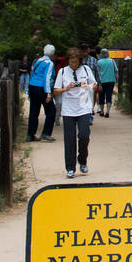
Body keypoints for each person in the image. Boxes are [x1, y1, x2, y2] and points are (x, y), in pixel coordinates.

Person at [53, 47, 96, 177]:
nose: (74, 65)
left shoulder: (86, 70)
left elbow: (94, 85)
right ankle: (70, 168)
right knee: (69, 139)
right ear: (68, 61)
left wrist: (86, 86)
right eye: (71, 62)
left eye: (76, 62)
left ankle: (82, 160)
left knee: (84, 135)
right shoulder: (62, 72)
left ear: (80, 61)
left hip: (84, 106)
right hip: (68, 109)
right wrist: (66, 88)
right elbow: (55, 90)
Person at [27, 43, 56, 141]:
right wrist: (48, 93)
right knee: (51, 110)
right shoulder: (49, 63)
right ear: (52, 53)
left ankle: (30, 134)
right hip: (41, 88)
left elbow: (32, 73)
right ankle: (46, 133)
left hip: (32, 86)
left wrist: (28, 90)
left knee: (34, 111)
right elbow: (47, 77)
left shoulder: (38, 61)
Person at [96, 47, 118, 117]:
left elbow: (98, 73)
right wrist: (116, 81)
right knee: (109, 96)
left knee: (101, 97)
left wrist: (98, 83)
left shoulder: (98, 62)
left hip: (102, 82)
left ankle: (102, 111)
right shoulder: (112, 61)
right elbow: (116, 71)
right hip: (111, 81)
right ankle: (107, 112)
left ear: (101, 54)